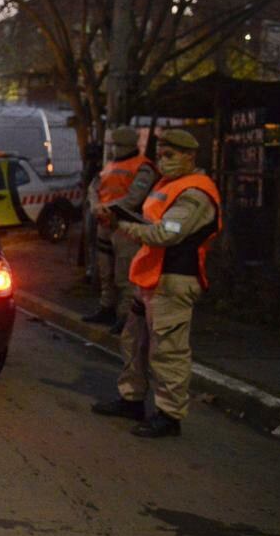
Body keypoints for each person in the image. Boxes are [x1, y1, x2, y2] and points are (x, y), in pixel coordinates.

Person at [91, 129, 220, 438]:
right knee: (134, 342)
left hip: (174, 280)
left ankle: (169, 416)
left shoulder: (196, 193)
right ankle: (131, 399)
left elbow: (166, 234)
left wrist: (122, 224)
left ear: (190, 156)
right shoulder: (168, 184)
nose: (163, 161)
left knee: (168, 351)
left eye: (170, 155)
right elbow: (154, 224)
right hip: (150, 278)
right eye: (160, 155)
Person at [83, 126, 157, 332]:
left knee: (125, 274)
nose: (114, 148)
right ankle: (107, 308)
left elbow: (135, 197)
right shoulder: (111, 164)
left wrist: (104, 209)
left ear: (126, 145)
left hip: (126, 227)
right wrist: (97, 206)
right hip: (106, 223)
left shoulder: (144, 167)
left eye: (117, 145)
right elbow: (93, 187)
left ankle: (125, 317)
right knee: (105, 271)